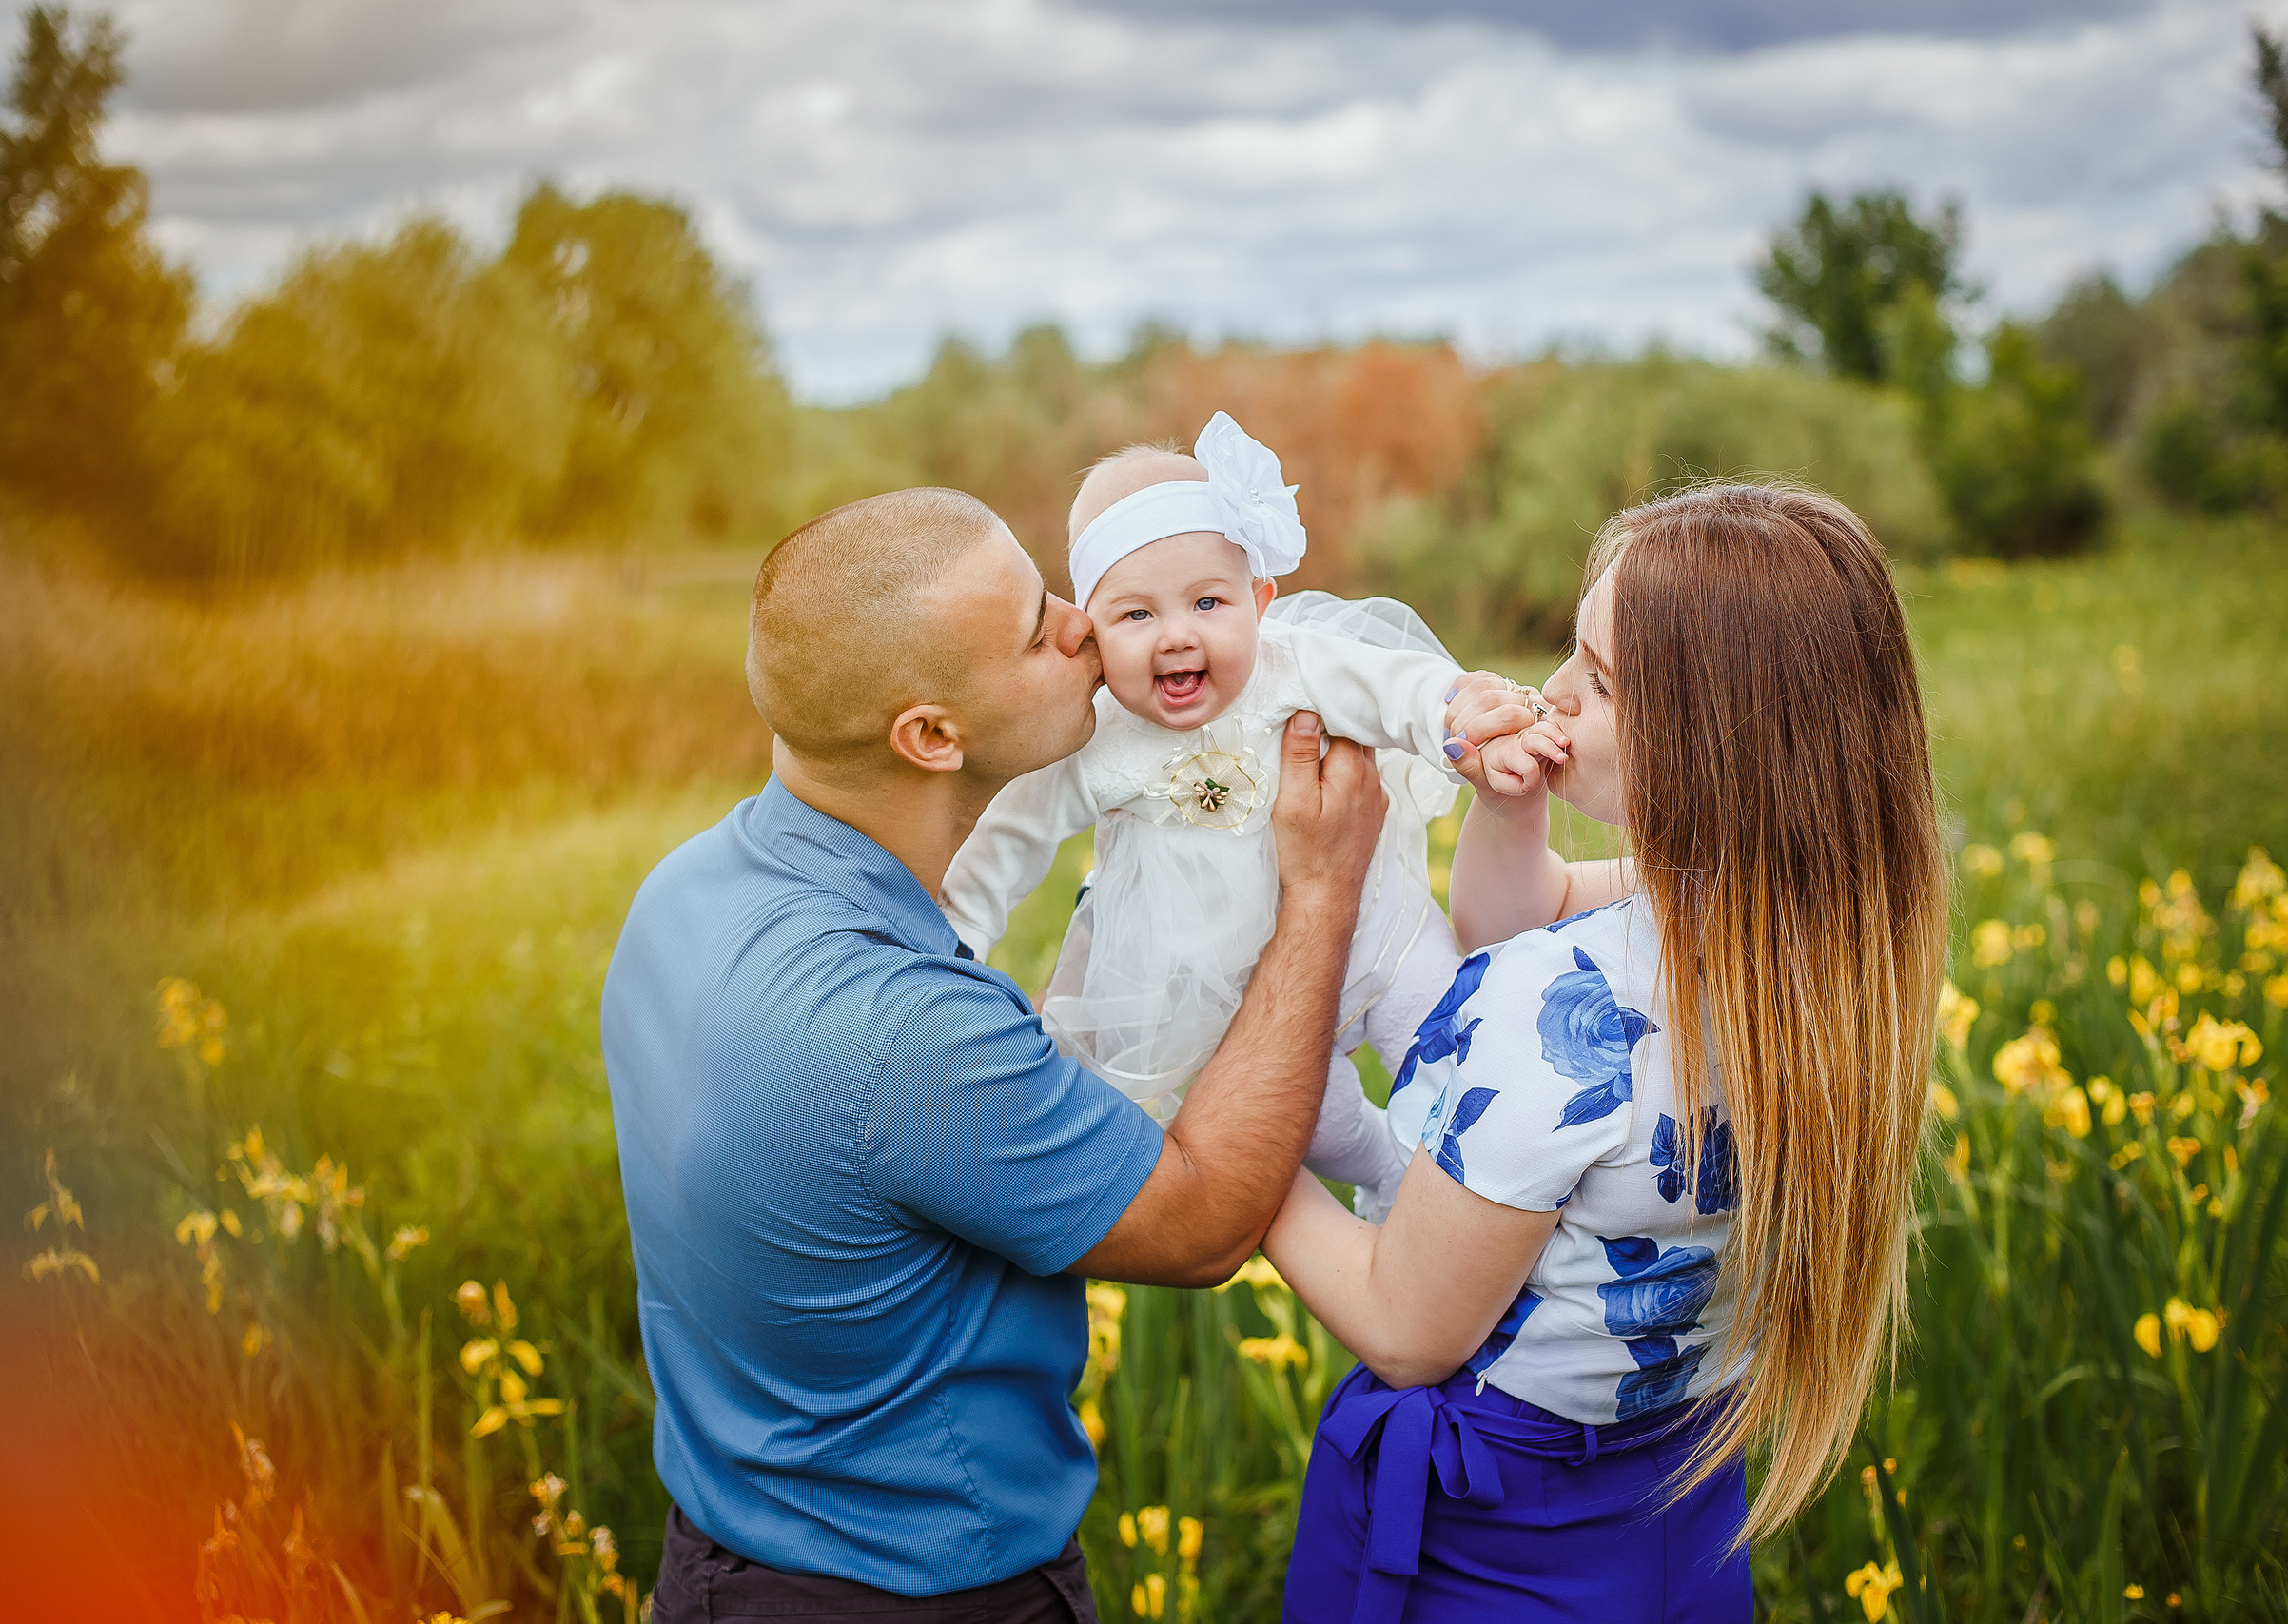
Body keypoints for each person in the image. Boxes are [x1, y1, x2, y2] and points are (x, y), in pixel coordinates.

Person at [600, 486, 1388, 1621]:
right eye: (1034, 631)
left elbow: (885, 1128)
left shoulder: (685, 890)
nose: (1083, 622)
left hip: (716, 1565)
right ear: (931, 737)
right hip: (918, 1597)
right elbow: (1204, 1221)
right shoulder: (903, 1034)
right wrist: (1317, 894)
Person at [1258, 483, 1949, 1623]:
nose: (1555, 692)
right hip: (1673, 1499)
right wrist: (1509, 814)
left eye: (1603, 679)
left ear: (1715, 740)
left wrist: (1235, 1143)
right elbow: (1510, 918)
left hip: (1487, 1544)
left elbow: (1405, 1330)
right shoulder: (1812, 938)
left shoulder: (1562, 1007)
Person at [944, 412, 1527, 1217]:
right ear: (1092, 633)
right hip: (1241, 999)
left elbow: (1394, 686)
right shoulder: (1095, 737)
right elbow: (1011, 834)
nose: (1176, 636)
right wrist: (958, 941)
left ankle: (1510, 1194)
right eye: (1136, 615)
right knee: (1319, 1128)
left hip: (1376, 930)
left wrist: (1455, 713)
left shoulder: (1295, 663)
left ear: (1259, 599)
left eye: (1208, 601)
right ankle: (1388, 1176)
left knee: (1454, 1044)